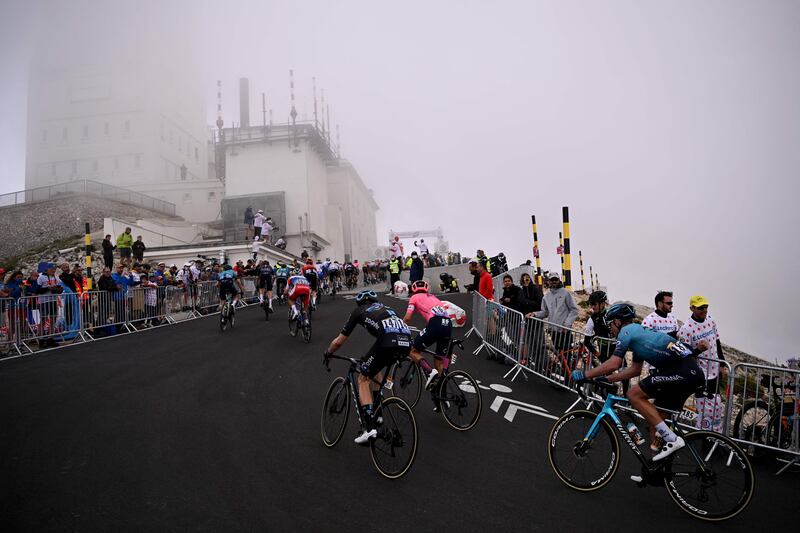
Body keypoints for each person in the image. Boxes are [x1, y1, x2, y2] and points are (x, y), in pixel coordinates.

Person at [573, 302, 705, 465]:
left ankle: (672, 439)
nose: (610, 330)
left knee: (633, 394)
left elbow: (614, 363)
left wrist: (585, 374)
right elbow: (634, 370)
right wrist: (607, 379)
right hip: (689, 373)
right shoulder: (638, 334)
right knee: (655, 419)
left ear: (618, 321)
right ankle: (655, 464)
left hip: (682, 372)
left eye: (610, 325)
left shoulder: (627, 331)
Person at [323, 289, 412, 444]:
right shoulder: (387, 309)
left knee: (363, 379)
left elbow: (339, 341)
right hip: (406, 342)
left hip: (388, 341)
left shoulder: (359, 311)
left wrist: (328, 352)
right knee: (373, 369)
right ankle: (378, 417)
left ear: (361, 303)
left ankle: (370, 427)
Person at [677, 295, 726, 433]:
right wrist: (698, 350)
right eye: (700, 308)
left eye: (706, 307)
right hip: (701, 374)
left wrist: (722, 364)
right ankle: (703, 438)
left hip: (715, 371)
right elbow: (683, 355)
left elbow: (717, 342)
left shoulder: (711, 320)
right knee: (705, 409)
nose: (704, 310)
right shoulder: (686, 329)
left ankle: (715, 436)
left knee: (717, 407)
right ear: (692, 308)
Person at [403, 280, 453, 392]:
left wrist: (400, 326)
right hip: (448, 325)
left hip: (435, 323)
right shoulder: (434, 298)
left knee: (412, 350)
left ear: (413, 290)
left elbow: (407, 318)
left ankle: (430, 372)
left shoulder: (414, 297)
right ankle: (441, 396)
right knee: (439, 361)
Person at [532, 271, 578, 352]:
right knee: (558, 353)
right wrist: (534, 314)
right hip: (553, 331)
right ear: (548, 281)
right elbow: (545, 312)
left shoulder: (566, 293)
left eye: (555, 279)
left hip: (564, 331)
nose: (554, 281)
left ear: (559, 280)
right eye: (552, 280)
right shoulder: (546, 296)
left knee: (567, 353)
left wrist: (567, 324)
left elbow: (574, 310)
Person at [583, 290, 615, 361]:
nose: (592, 307)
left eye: (594, 304)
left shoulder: (612, 315)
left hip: (617, 351)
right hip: (604, 352)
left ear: (603, 304)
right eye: (591, 304)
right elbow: (586, 341)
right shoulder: (592, 319)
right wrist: (598, 355)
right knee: (607, 372)